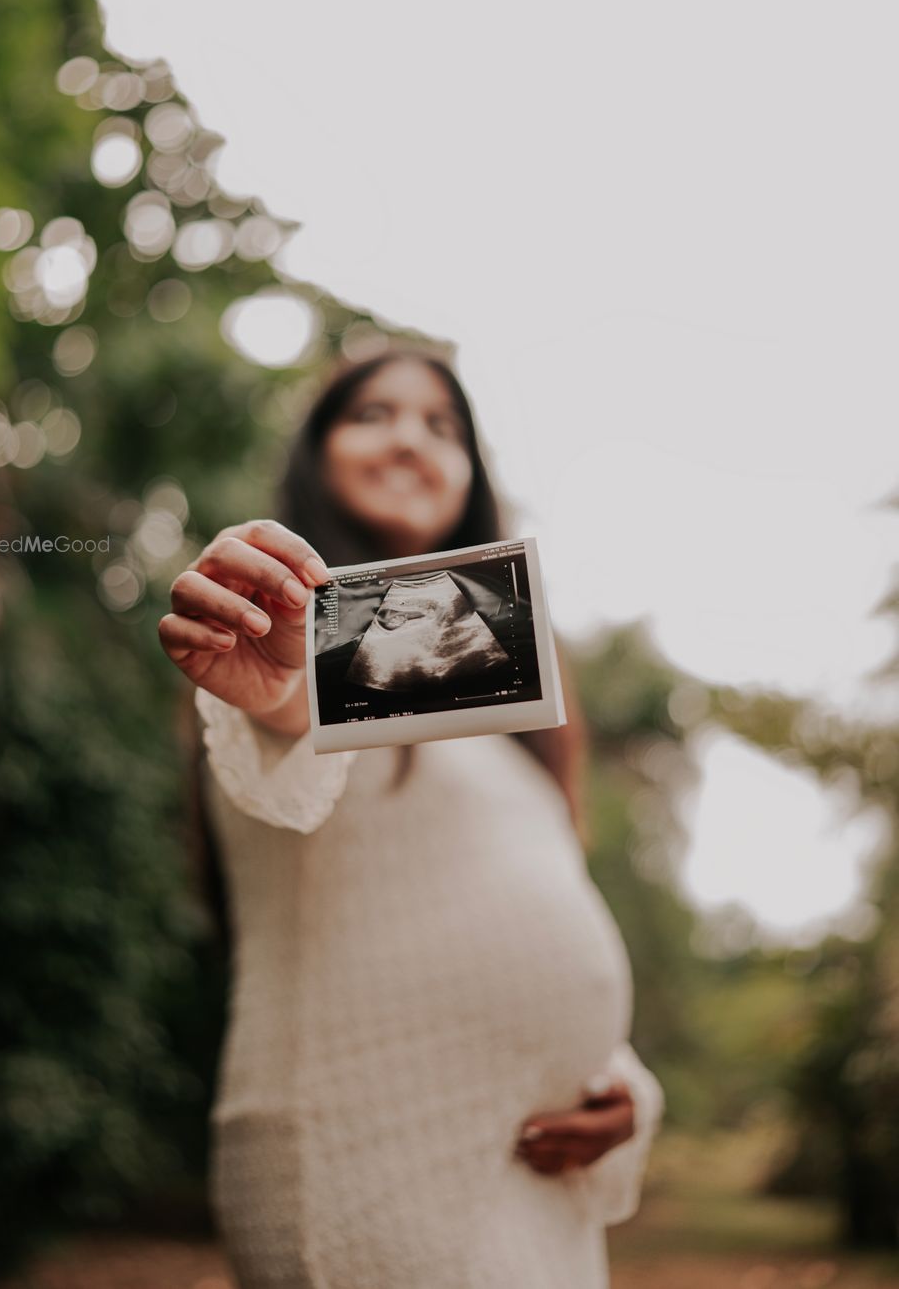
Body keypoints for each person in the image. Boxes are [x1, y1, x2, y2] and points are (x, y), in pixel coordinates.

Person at [159, 345, 664, 1289]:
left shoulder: (514, 708)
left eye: (442, 426)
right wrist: (272, 683)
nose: (410, 440)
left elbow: (532, 907)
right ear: (317, 453)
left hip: (534, 1171)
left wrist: (620, 1085)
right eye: (373, 414)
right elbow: (283, 724)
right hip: (365, 1156)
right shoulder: (285, 658)